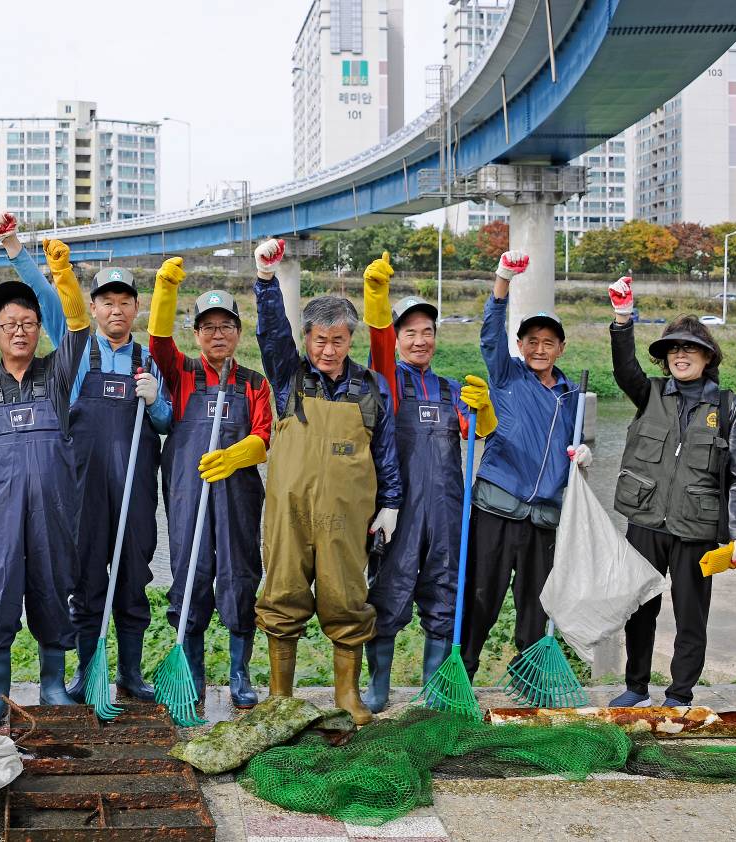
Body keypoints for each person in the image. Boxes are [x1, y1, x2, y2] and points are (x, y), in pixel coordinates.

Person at [0, 212, 169, 702]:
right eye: (106, 301)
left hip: (132, 490)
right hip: (82, 491)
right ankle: (89, 674)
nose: (115, 310)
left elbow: (169, 422)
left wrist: (155, 401)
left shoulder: (147, 359)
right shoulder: (78, 349)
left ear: (136, 309)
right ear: (93, 306)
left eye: (124, 302)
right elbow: (48, 301)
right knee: (86, 582)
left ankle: (129, 674)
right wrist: (15, 249)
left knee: (133, 577)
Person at [251, 239, 401, 725]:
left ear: (349, 341)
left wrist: (391, 504)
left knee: (347, 600)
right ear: (308, 339)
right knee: (282, 595)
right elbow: (272, 334)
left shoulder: (370, 388)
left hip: (345, 516)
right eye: (319, 340)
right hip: (289, 514)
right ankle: (279, 697)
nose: (328, 350)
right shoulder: (287, 376)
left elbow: (386, 452)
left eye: (338, 341)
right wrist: (266, 282)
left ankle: (347, 697)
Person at [0, 236, 91, 722]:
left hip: (54, 514)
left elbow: (77, 331)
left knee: (54, 592)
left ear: (38, 330)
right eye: (10, 325)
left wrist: (63, 276)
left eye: (29, 324)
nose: (20, 332)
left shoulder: (57, 375)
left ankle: (53, 687)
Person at [606, 276, 736, 706]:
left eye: (689, 348)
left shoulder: (727, 406)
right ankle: (635, 687)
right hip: (646, 521)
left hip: (697, 528)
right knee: (640, 608)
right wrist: (622, 318)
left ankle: (680, 694)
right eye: (673, 349)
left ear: (707, 358)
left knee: (692, 616)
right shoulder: (649, 394)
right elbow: (623, 368)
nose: (680, 355)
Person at [359, 251, 498, 712]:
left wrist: (485, 407)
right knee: (388, 594)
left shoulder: (449, 389)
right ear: (398, 338)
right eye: (410, 332)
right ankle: (378, 686)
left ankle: (434, 692)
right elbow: (377, 347)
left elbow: (477, 432)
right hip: (398, 509)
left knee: (444, 599)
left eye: (427, 332)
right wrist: (376, 296)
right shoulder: (386, 383)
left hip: (447, 512)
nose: (420, 341)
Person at [148, 256, 273, 710]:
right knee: (191, 576)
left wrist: (235, 455)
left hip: (238, 496)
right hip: (187, 493)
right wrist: (165, 288)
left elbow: (264, 437)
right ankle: (194, 673)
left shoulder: (254, 383)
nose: (217, 334)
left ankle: (240, 673)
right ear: (196, 333)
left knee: (240, 577)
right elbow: (158, 341)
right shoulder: (181, 373)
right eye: (208, 327)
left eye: (225, 326)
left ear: (238, 333)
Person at [462, 251, 588, 680]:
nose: (539, 348)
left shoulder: (573, 396)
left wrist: (583, 457)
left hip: (545, 518)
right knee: (481, 599)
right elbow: (489, 336)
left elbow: (578, 447)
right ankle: (464, 673)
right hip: (497, 507)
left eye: (548, 342)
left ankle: (530, 683)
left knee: (536, 607)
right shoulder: (506, 376)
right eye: (531, 341)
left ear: (561, 347)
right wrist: (503, 281)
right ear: (520, 346)